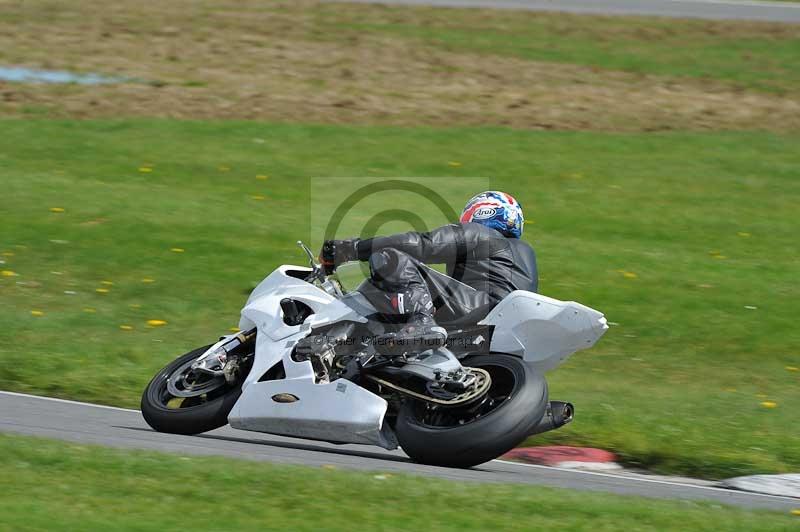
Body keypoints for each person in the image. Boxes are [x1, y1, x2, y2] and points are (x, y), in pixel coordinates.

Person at [320, 191, 537, 351]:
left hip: (478, 310)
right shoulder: (523, 254)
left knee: (391, 257)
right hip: (501, 328)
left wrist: (351, 248)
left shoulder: (483, 234)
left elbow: (422, 245)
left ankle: (420, 323)